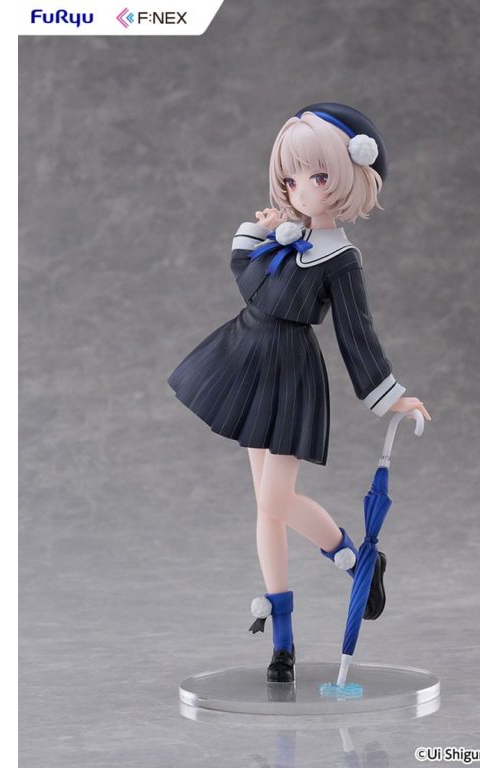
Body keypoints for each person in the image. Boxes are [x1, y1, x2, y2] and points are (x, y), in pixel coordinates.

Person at [168, 103, 432, 683]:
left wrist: (390, 395)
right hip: (245, 359)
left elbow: (356, 334)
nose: (298, 189)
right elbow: (248, 281)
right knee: (264, 507)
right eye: (289, 179)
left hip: (289, 373)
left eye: (315, 176)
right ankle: (282, 640)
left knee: (275, 498)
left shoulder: (340, 259)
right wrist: (260, 232)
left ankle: (357, 561)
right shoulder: (289, 239)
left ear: (349, 176)